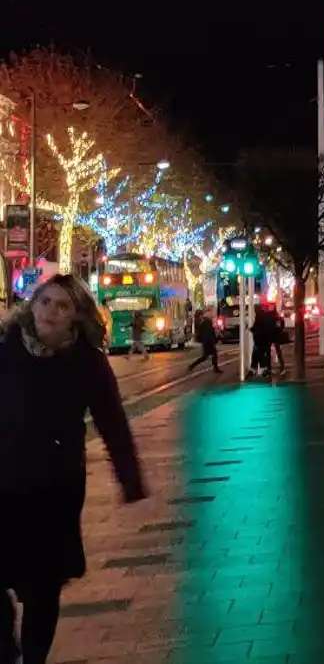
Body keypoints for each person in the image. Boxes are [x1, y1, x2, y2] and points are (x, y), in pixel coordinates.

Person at [0, 274, 147, 663]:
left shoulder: (87, 363)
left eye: (62, 306)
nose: (51, 311)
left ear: (75, 318)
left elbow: (112, 421)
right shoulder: (4, 347)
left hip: (53, 490)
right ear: (32, 304)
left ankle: (32, 658)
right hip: (2, 484)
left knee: (42, 589)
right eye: (45, 301)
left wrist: (130, 479)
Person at [187, 309, 221, 374]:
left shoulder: (203, 321)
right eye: (201, 314)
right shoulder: (202, 321)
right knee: (208, 356)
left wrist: (215, 337)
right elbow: (208, 331)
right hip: (207, 341)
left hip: (207, 340)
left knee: (210, 355)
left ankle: (215, 368)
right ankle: (215, 368)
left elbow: (210, 330)